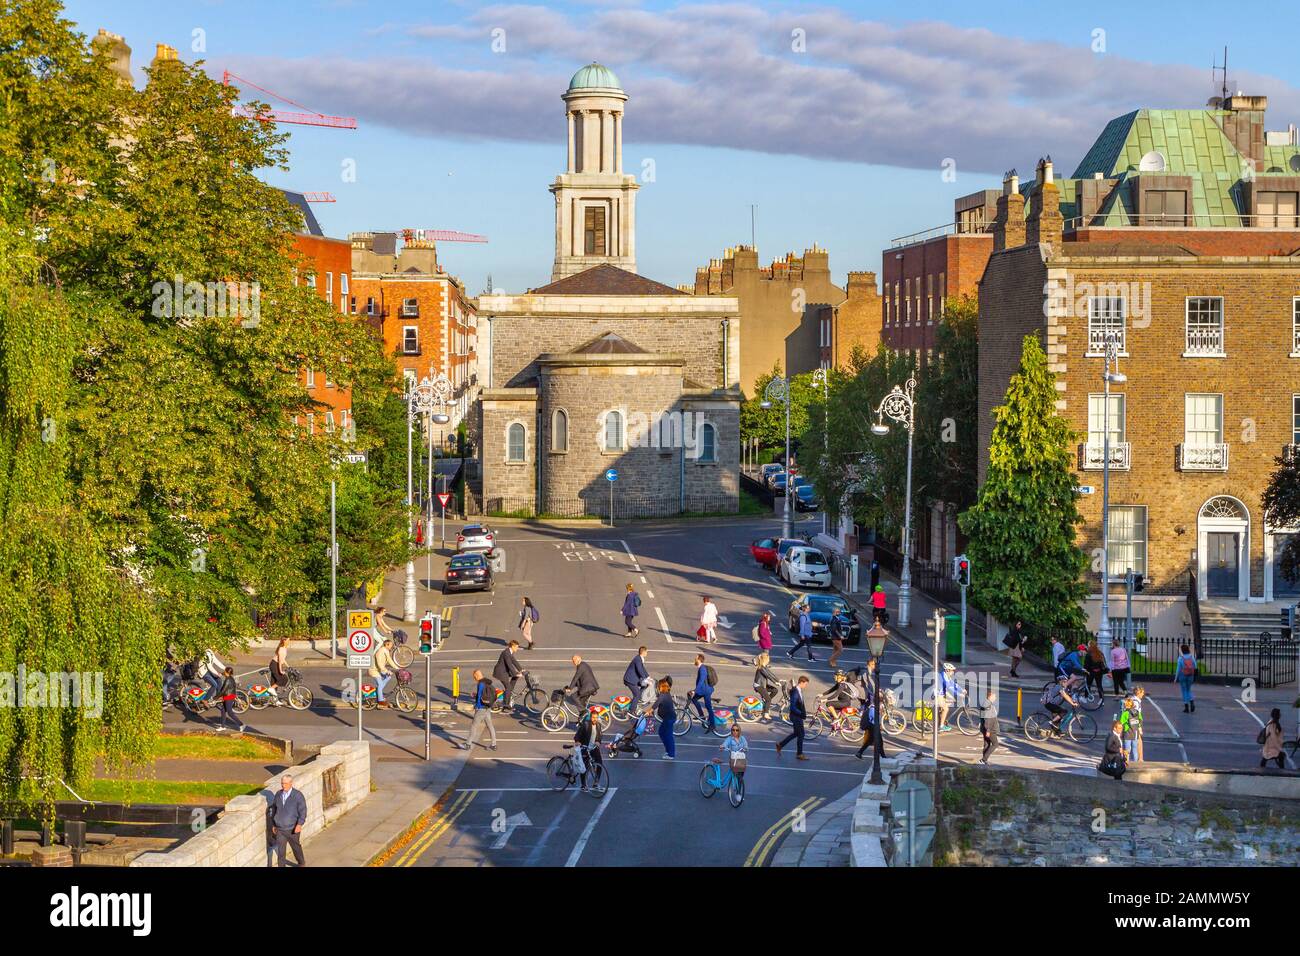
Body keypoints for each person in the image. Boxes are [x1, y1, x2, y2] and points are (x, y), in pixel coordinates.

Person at [269, 774, 308, 867]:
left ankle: (301, 862)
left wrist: (299, 824)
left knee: (296, 848)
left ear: (291, 783)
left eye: (285, 783)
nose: (283, 785)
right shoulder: (278, 794)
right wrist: (273, 824)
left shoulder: (298, 795)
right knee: (281, 853)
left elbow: (303, 811)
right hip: (280, 830)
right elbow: (274, 809)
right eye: (282, 783)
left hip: (292, 829)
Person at [459, 670, 498, 751]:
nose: (474, 678)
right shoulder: (487, 682)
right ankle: (494, 745)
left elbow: (480, 696)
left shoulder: (480, 684)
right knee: (490, 725)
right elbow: (484, 695)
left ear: (477, 676)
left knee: (474, 726)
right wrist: (475, 695)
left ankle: (468, 744)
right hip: (487, 707)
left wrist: (476, 707)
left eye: (474, 677)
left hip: (481, 708)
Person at [775, 676, 810, 761]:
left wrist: (803, 713)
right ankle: (799, 754)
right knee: (801, 734)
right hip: (796, 716)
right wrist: (801, 713)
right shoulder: (795, 692)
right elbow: (793, 707)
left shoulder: (799, 690)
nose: (806, 686)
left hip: (798, 715)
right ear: (801, 682)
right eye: (805, 684)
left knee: (796, 733)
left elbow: (801, 703)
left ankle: (780, 744)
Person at [573, 707, 604, 791]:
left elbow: (600, 736)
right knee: (584, 767)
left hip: (594, 748)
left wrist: (598, 741)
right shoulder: (585, 724)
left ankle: (596, 783)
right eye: (593, 717)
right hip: (585, 748)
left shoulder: (598, 725)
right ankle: (583, 785)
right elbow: (577, 735)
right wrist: (577, 741)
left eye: (596, 717)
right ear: (590, 717)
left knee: (600, 764)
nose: (595, 719)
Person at [689, 653, 717, 732]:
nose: (694, 659)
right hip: (704, 690)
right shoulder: (701, 668)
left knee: (708, 707)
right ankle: (702, 717)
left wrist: (695, 691)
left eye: (696, 658)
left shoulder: (702, 669)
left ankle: (712, 725)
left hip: (706, 691)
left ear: (699, 660)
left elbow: (701, 681)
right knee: (694, 700)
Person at [492, 640, 523, 710]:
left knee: (511, 685)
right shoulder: (506, 653)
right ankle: (505, 705)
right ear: (512, 646)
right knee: (508, 687)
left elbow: (514, 661)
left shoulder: (509, 652)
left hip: (504, 671)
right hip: (500, 673)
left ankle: (508, 694)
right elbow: (509, 665)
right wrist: (516, 673)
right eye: (516, 647)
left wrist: (521, 670)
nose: (517, 649)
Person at [935, 662, 965, 732]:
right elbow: (949, 687)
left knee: (953, 700)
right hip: (937, 693)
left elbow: (954, 684)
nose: (953, 672)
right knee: (946, 709)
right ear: (947, 670)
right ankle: (941, 726)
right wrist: (959, 694)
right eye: (952, 670)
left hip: (942, 693)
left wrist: (962, 689)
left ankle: (941, 714)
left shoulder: (947, 676)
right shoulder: (943, 676)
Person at [752, 652, 780, 720]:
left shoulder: (764, 667)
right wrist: (775, 682)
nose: (769, 660)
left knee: (775, 690)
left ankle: (765, 701)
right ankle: (766, 713)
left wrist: (778, 680)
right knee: (769, 699)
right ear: (765, 660)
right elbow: (768, 676)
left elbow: (771, 674)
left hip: (763, 685)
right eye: (768, 659)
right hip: (759, 686)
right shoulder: (761, 668)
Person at [368, 639, 395, 708]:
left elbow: (389, 660)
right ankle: (380, 700)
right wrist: (386, 671)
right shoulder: (380, 651)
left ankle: (378, 691)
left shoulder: (386, 651)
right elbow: (379, 664)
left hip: (379, 670)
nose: (392, 646)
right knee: (380, 684)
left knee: (388, 677)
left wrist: (397, 667)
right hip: (374, 670)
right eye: (391, 645)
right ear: (387, 645)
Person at [623, 646, 651, 711]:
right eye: (646, 652)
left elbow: (642, 669)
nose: (647, 653)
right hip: (630, 680)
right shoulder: (637, 659)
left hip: (634, 679)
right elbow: (639, 670)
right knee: (637, 694)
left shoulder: (639, 658)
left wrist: (648, 677)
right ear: (643, 652)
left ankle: (636, 700)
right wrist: (645, 679)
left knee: (645, 685)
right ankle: (632, 710)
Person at [217, 666, 244, 733]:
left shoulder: (228, 680)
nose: (224, 672)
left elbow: (223, 690)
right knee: (223, 710)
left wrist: (216, 697)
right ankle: (223, 726)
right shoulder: (230, 678)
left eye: (224, 671)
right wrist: (220, 673)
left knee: (230, 712)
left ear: (226, 672)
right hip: (228, 696)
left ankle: (241, 724)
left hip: (229, 697)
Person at [655, 680, 677, 760]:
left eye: (658, 686)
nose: (657, 687)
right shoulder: (666, 693)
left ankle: (671, 754)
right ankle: (668, 751)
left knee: (668, 736)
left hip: (669, 718)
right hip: (668, 718)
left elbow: (656, 703)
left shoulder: (663, 695)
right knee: (662, 732)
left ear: (661, 687)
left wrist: (649, 711)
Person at [1174, 643, 1197, 712]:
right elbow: (1195, 666)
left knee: (1184, 691)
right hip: (1190, 675)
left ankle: (1186, 707)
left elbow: (1178, 669)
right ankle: (1192, 701)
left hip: (1183, 675)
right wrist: (1194, 676)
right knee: (1188, 689)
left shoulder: (1180, 658)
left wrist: (1175, 678)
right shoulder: (1191, 657)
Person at [979, 690, 999, 765]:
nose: (995, 697)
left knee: (987, 744)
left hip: (986, 728)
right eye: (994, 696)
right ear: (990, 696)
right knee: (995, 744)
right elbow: (988, 719)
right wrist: (988, 730)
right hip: (990, 729)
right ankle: (983, 759)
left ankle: (984, 760)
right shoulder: (988, 705)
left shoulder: (986, 703)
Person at [268, 637, 290, 705]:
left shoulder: (284, 648)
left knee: (275, 682)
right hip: (274, 665)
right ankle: (271, 689)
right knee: (283, 678)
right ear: (284, 641)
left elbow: (283, 659)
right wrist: (280, 671)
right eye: (288, 640)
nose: (289, 641)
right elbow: (280, 661)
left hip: (276, 664)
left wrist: (289, 666)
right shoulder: (281, 649)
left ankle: (274, 700)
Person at [1119, 696, 1141, 764]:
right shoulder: (1137, 712)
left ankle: (1127, 763)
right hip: (1135, 733)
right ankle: (1135, 764)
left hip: (1127, 733)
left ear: (1126, 705)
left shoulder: (1125, 713)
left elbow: (1121, 723)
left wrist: (1120, 734)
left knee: (1127, 750)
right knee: (1135, 750)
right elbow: (1140, 722)